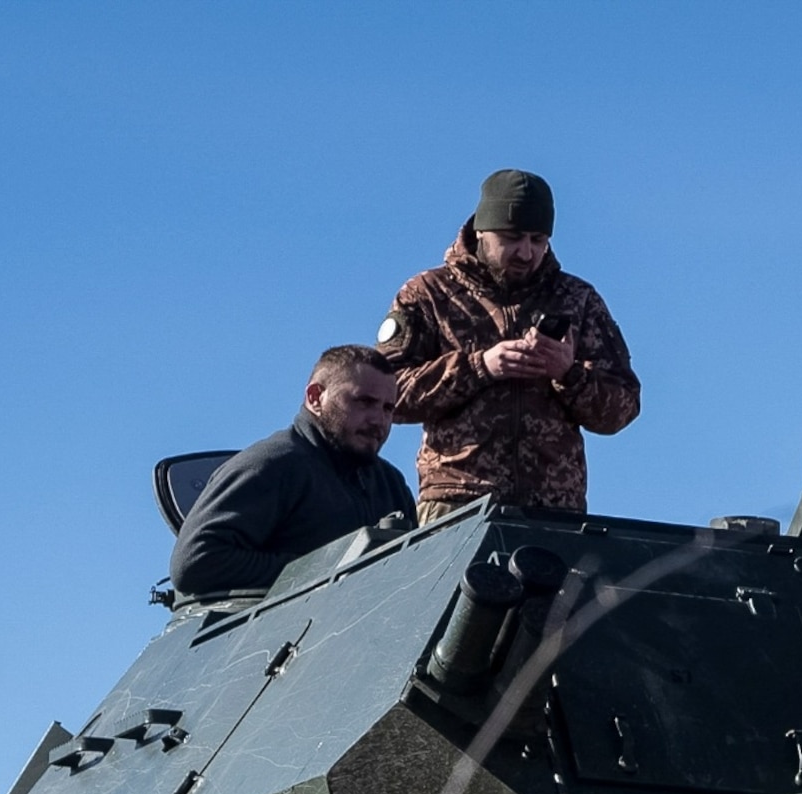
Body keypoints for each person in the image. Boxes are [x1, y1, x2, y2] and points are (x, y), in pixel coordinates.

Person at [377, 169, 640, 520]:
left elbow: (621, 409)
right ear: (481, 231)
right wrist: (479, 367)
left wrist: (568, 373)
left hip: (555, 508)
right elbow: (388, 395)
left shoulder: (576, 300)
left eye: (538, 240)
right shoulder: (428, 295)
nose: (526, 253)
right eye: (512, 238)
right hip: (457, 501)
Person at [167, 346, 412, 600]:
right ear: (316, 397)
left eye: (387, 408)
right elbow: (195, 563)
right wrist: (319, 570)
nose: (379, 420)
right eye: (364, 402)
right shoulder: (272, 466)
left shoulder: (389, 484)